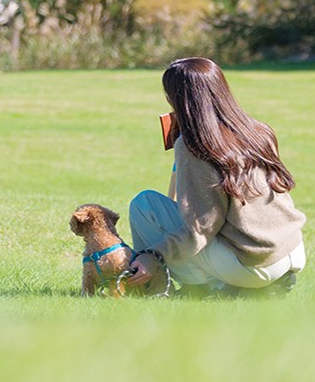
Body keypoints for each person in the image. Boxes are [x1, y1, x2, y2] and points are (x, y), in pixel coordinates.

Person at [124, 57, 305, 295]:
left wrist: (152, 255)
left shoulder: (196, 147)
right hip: (291, 249)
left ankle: (200, 288)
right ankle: (233, 286)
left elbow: (201, 228)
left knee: (144, 204)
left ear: (176, 98)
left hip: (253, 264)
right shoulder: (258, 130)